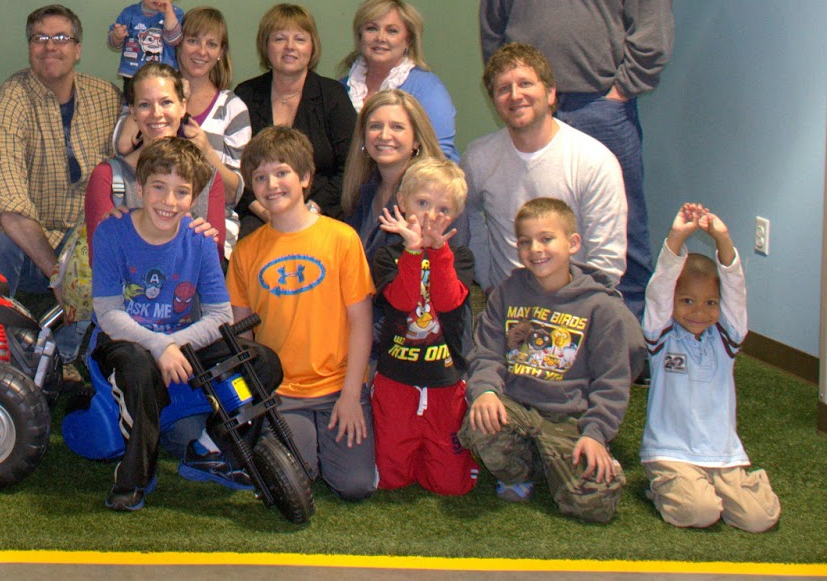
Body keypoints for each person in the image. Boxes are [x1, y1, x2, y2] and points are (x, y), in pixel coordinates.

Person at [480, 0, 674, 316]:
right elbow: (492, 32)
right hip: (532, 117)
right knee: (538, 231)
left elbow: (653, 22)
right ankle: (542, 330)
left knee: (623, 231)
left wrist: (621, 89)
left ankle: (625, 335)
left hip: (601, 109)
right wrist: (513, 93)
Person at [89, 137, 281, 511]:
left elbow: (220, 316)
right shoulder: (112, 232)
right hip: (124, 341)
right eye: (159, 187)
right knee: (138, 366)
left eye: (181, 192)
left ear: (193, 198)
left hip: (180, 341)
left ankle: (210, 449)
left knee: (264, 362)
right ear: (140, 188)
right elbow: (108, 314)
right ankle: (135, 476)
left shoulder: (200, 239)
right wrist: (160, 346)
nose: (169, 201)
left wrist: (174, 344)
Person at [461, 198, 645, 523]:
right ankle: (523, 471)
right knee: (479, 424)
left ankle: (567, 456)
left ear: (573, 243)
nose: (535, 249)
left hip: (569, 419)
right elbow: (486, 353)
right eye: (525, 241)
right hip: (517, 409)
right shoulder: (507, 292)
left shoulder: (601, 307)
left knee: (594, 506)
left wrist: (596, 433)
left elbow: (612, 381)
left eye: (546, 238)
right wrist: (486, 392)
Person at [228, 126, 376, 500]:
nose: (271, 185)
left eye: (282, 172)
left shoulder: (342, 239)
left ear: (306, 177)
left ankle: (341, 439)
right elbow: (243, 336)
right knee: (297, 475)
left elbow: (361, 324)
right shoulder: (246, 252)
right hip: (283, 391)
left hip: (338, 387)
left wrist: (351, 395)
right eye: (260, 177)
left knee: (354, 486)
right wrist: (256, 397)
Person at [640, 203, 780, 531]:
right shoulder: (661, 337)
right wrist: (676, 237)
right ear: (673, 301)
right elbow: (660, 289)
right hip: (672, 453)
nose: (699, 312)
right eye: (687, 301)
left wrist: (723, 239)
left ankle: (725, 486)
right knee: (701, 513)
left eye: (710, 303)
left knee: (759, 518)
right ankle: (666, 486)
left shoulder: (725, 340)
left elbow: (736, 292)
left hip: (721, 454)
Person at [0, 4, 121, 306]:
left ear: (78, 50)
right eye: (39, 38)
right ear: (30, 48)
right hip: (33, 248)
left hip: (88, 242)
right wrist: (58, 276)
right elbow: (10, 206)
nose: (50, 46)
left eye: (61, 38)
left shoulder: (106, 96)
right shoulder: (10, 101)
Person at [463, 43, 627, 293]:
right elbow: (468, 220)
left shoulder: (594, 161)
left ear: (550, 93)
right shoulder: (478, 160)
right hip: (508, 305)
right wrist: (489, 282)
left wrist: (576, 306)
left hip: (577, 305)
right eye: (503, 89)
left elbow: (607, 261)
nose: (515, 95)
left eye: (525, 84)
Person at [368, 158, 477, 495]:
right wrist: (413, 252)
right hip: (395, 381)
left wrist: (438, 251)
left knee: (452, 486)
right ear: (402, 202)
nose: (431, 216)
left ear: (455, 215)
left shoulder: (460, 257)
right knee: (390, 478)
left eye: (443, 209)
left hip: (445, 381)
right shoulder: (386, 256)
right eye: (423, 203)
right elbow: (402, 301)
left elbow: (447, 302)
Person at [115, 7, 249, 252]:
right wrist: (156, 101)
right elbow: (121, 147)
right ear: (175, 42)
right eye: (193, 41)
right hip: (146, 223)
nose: (201, 51)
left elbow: (234, 194)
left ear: (221, 53)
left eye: (211, 44)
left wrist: (207, 152)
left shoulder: (233, 108)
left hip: (209, 230)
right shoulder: (149, 95)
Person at [85, 62, 227, 255]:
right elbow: (101, 256)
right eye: (145, 105)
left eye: (166, 102)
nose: (157, 113)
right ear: (133, 112)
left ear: (182, 106)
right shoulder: (107, 176)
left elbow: (214, 257)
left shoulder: (209, 178)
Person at [234, 3, 356, 226]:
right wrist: (265, 212)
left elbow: (350, 167)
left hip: (321, 213)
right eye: (280, 39)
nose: (290, 47)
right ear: (266, 46)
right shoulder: (246, 95)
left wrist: (309, 211)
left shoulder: (333, 96)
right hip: (260, 214)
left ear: (312, 46)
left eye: (300, 39)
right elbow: (236, 167)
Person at [337, 0, 456, 160]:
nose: (380, 38)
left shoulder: (428, 89)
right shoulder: (340, 89)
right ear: (360, 36)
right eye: (372, 28)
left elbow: (438, 154)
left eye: (391, 31)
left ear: (408, 40)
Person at [339, 89, 446, 255]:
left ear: (416, 140)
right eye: (375, 126)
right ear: (363, 137)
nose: (384, 135)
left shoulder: (438, 192)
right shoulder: (361, 191)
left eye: (397, 127)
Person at [107, 0, 184, 88]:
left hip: (165, 76)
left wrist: (168, 13)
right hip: (133, 74)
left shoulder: (176, 14)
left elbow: (174, 40)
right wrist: (117, 36)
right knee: (133, 100)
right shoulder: (129, 13)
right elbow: (113, 44)